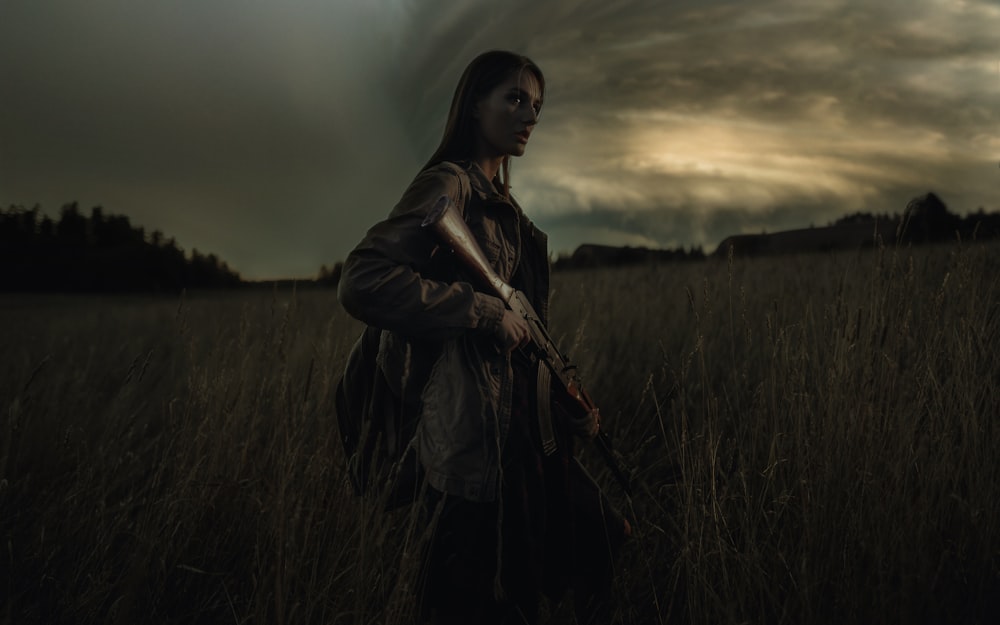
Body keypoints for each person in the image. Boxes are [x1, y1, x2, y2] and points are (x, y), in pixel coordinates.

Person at [337, 50, 629, 625]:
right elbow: (363, 280)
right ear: (474, 105)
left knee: (602, 540)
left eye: (537, 107)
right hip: (468, 434)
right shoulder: (450, 185)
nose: (529, 116)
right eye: (515, 99)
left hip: (519, 430)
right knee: (466, 600)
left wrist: (566, 406)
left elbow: (523, 340)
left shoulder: (505, 207)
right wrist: (481, 311)